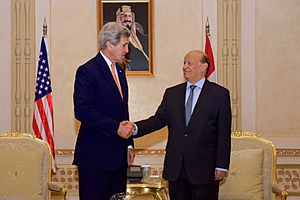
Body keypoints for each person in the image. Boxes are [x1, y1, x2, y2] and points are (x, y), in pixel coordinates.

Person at [119, 50, 232, 200]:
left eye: (189, 63)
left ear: (204, 67)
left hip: (205, 170)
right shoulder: (172, 93)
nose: (185, 66)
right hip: (176, 169)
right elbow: (158, 120)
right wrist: (135, 128)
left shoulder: (219, 95)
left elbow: (224, 134)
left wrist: (222, 165)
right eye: (184, 63)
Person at [73, 22, 135, 200]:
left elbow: (123, 111)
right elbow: (82, 110)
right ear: (110, 45)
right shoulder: (87, 71)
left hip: (118, 157)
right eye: (124, 44)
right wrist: (116, 127)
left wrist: (129, 143)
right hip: (95, 158)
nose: (126, 49)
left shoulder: (120, 72)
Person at [116, 5, 149, 71]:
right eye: (124, 16)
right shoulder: (115, 40)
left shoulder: (144, 39)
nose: (127, 19)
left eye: (130, 16)